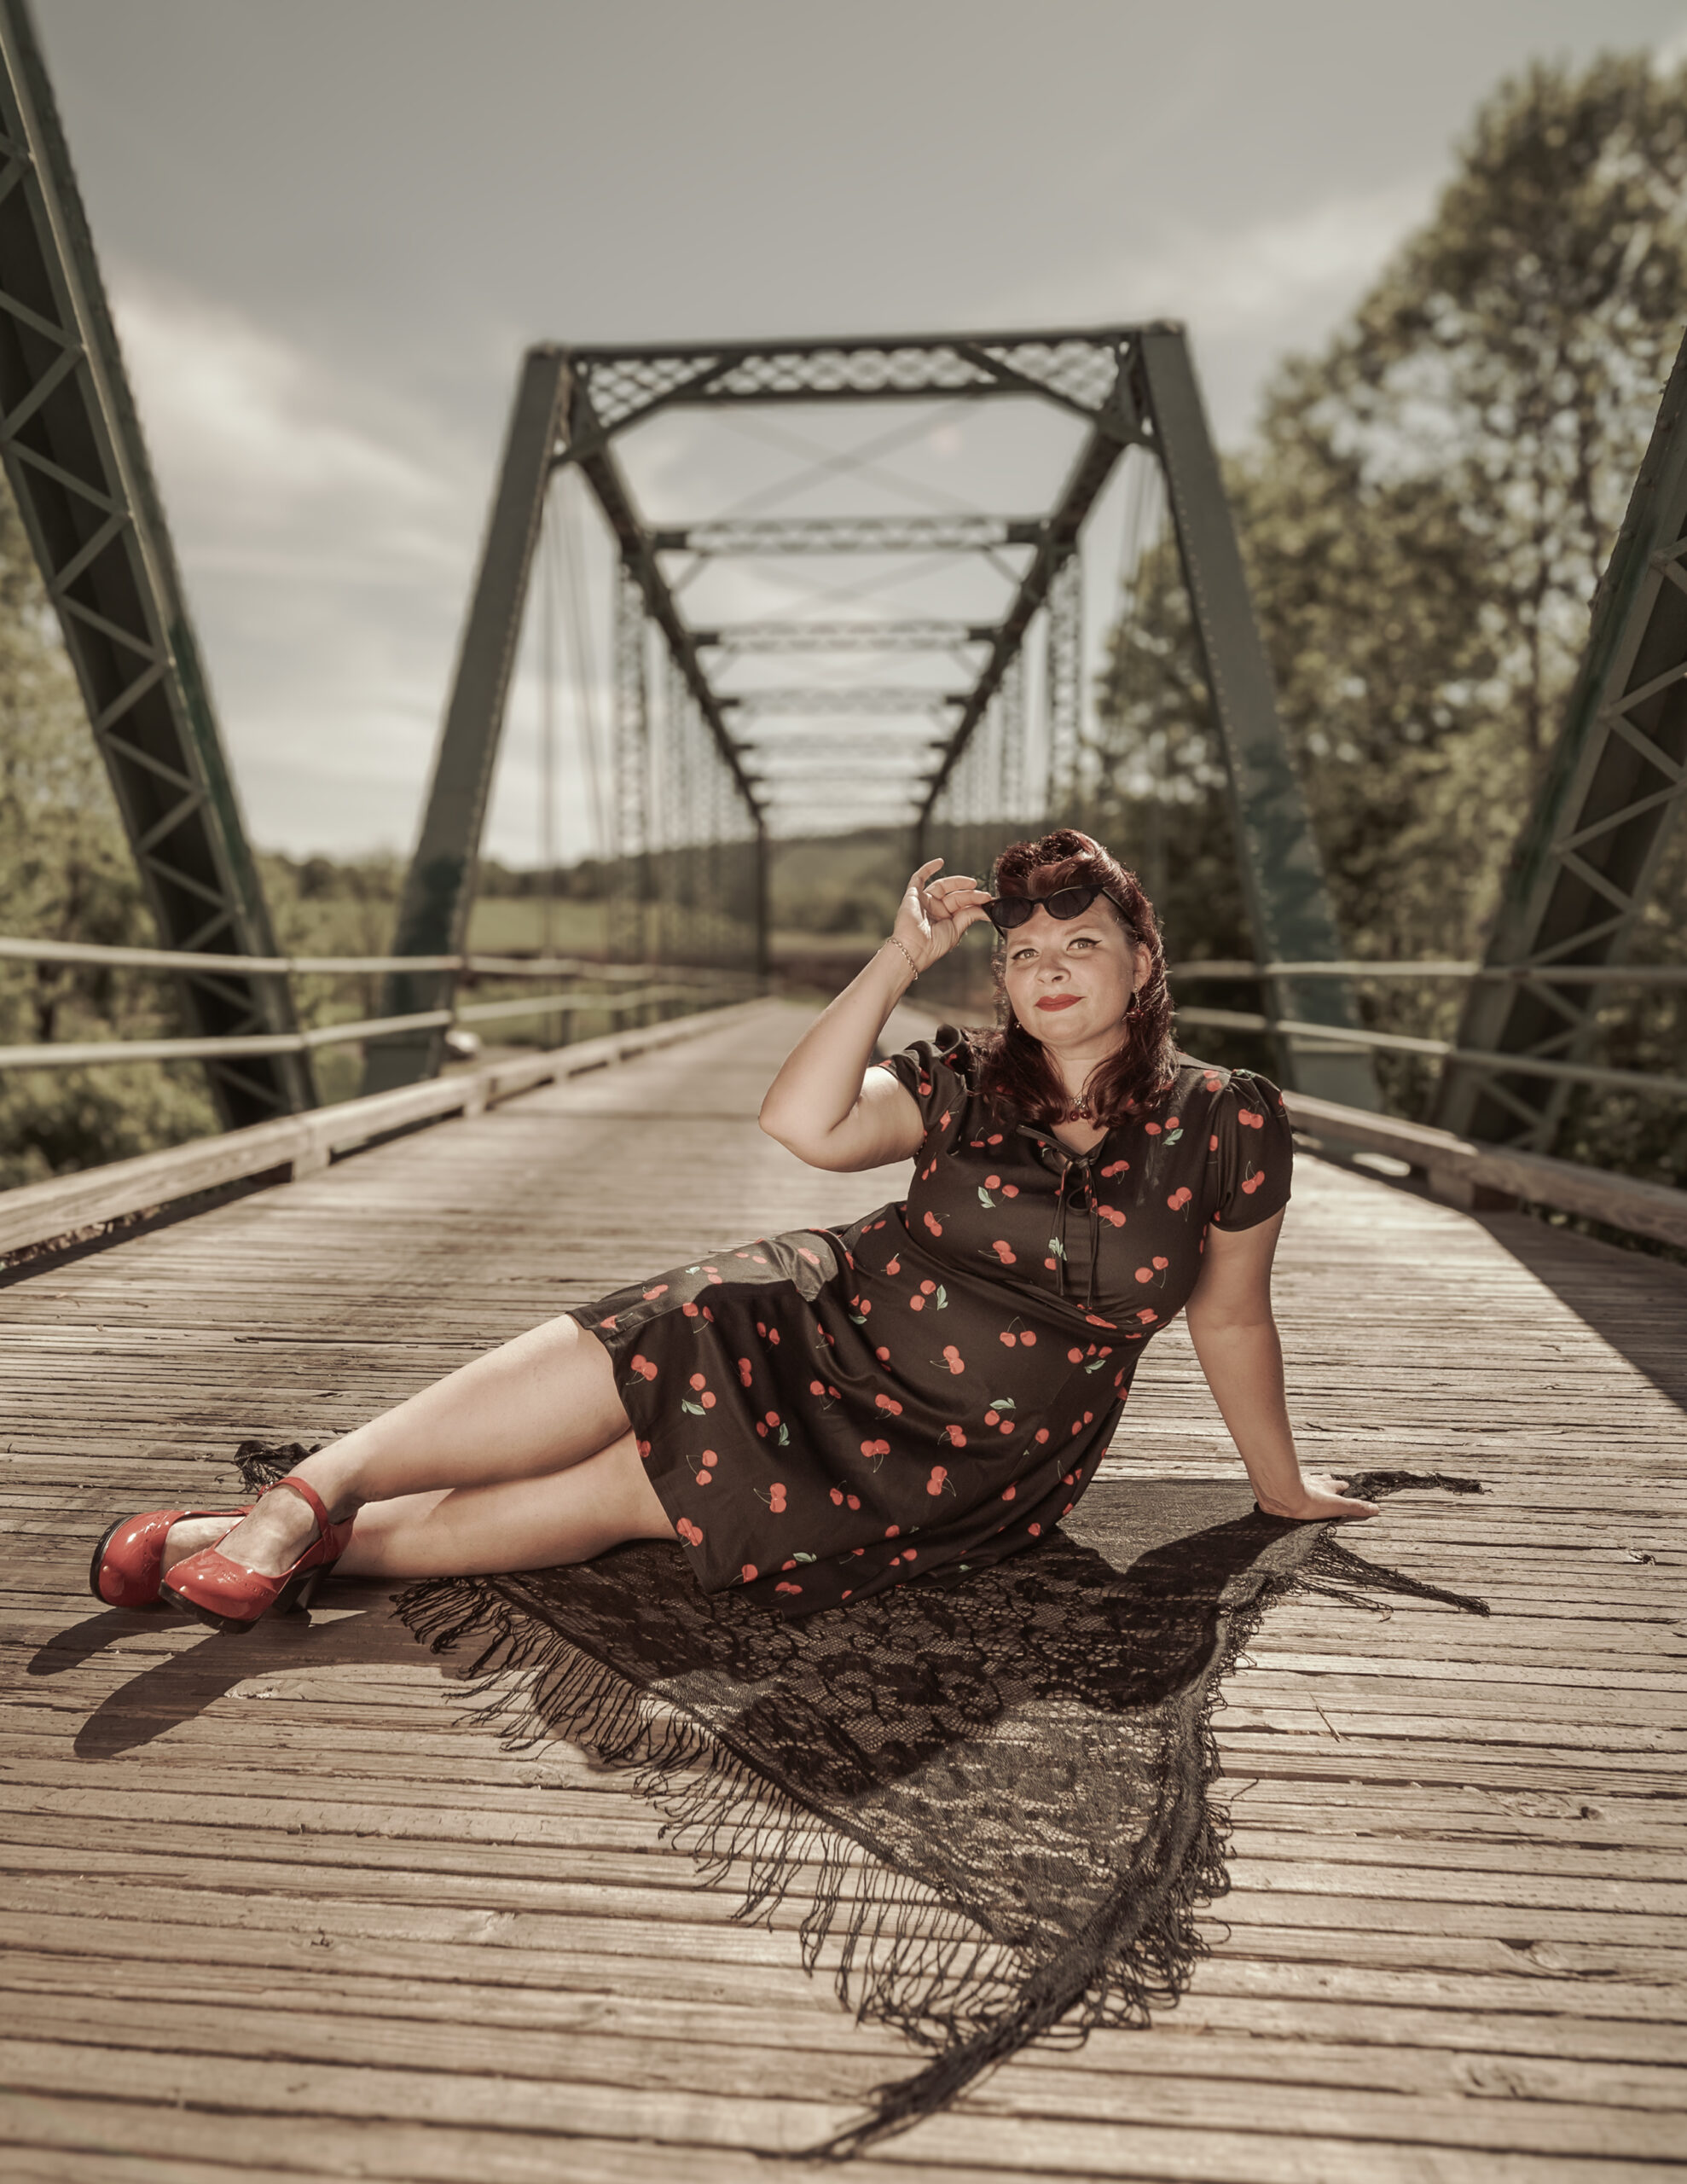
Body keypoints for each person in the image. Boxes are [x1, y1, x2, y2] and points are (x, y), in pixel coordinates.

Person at [90, 830, 1377, 1633]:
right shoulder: (964, 1077)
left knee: (628, 1491)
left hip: (971, 1450)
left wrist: (1275, 1485)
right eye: (1022, 949)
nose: (1046, 968)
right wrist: (891, 963)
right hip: (829, 1316)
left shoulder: (1226, 1120)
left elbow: (1229, 1314)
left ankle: (239, 1545)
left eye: (1079, 943)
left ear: (1142, 963)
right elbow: (803, 1125)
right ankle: (303, 1498)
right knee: (636, 1338)